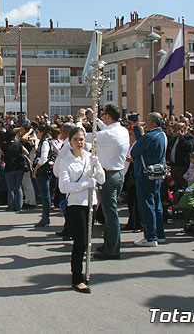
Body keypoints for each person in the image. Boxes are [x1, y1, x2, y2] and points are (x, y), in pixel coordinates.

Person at [57, 127, 104, 294]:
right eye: (76, 139)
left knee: (88, 242)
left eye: (82, 139)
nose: (79, 142)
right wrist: (85, 184)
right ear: (70, 141)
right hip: (75, 205)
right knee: (81, 242)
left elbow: (102, 179)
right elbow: (64, 187)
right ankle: (76, 278)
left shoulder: (90, 157)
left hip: (90, 204)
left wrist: (97, 167)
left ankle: (82, 272)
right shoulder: (66, 161)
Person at [81, 105, 129, 260]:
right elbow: (104, 129)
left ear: (108, 115)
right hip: (117, 173)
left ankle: (113, 249)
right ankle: (109, 243)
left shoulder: (109, 134)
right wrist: (94, 118)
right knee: (110, 213)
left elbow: (82, 136)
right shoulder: (121, 130)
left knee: (110, 215)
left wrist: (79, 120)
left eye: (103, 115)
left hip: (108, 175)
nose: (102, 117)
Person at [130, 112, 168, 247]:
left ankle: (150, 236)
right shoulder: (161, 135)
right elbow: (143, 143)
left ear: (152, 122)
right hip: (156, 173)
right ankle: (159, 234)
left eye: (147, 120)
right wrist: (135, 128)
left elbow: (135, 151)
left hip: (145, 174)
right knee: (156, 204)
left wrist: (136, 131)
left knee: (146, 205)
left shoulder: (150, 136)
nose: (145, 122)